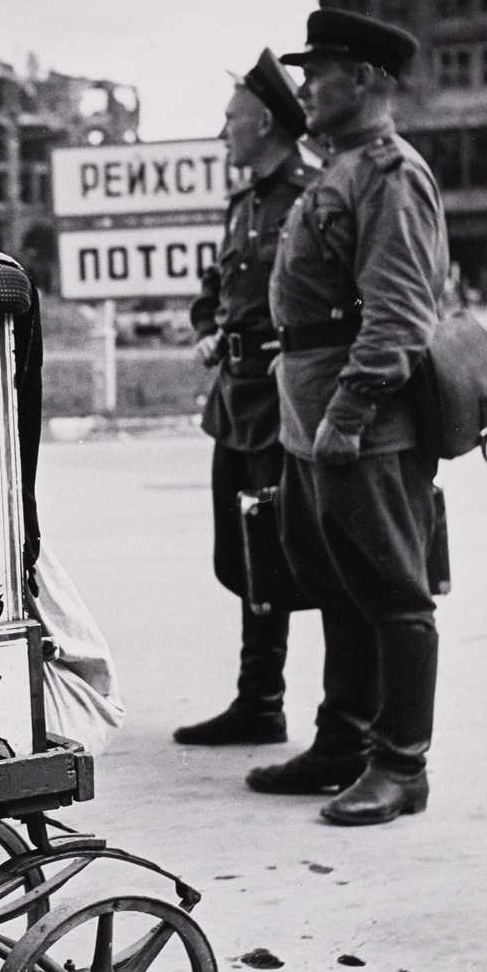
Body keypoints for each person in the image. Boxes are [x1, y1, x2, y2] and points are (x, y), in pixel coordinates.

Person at [246, 9, 448, 825]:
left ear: (363, 80)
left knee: (395, 593)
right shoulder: (342, 167)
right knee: (335, 586)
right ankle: (344, 742)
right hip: (313, 410)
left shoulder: (390, 173)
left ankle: (402, 766)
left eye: (317, 71)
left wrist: (350, 412)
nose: (304, 87)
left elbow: (400, 313)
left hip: (362, 424)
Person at [173, 51, 316, 748]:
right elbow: (214, 292)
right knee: (238, 556)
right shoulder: (245, 204)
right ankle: (257, 698)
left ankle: (267, 701)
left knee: (277, 552)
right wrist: (207, 332)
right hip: (234, 403)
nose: (222, 131)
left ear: (263, 122)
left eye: (231, 120)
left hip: (283, 403)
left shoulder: (308, 194)